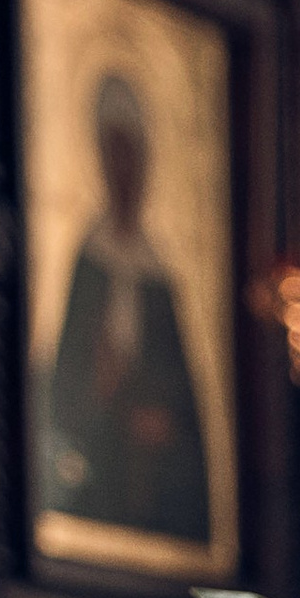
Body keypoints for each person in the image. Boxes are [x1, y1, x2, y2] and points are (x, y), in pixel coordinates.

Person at [38, 70, 212, 549]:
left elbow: (185, 393)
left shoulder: (159, 270)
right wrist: (99, 389)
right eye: (113, 152)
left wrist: (163, 415)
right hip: (101, 460)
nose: (124, 169)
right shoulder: (88, 259)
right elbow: (62, 381)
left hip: (156, 463)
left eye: (132, 152)